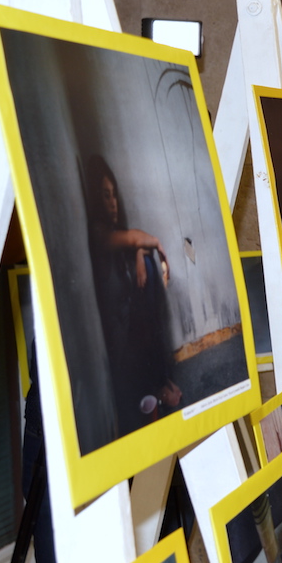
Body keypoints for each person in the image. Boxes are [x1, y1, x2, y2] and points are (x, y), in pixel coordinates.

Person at [84, 154, 180, 435]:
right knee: (149, 273)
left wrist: (140, 254)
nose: (113, 202)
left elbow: (131, 240)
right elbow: (134, 237)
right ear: (95, 199)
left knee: (147, 266)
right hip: (121, 349)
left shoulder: (110, 232)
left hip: (131, 328)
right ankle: (157, 386)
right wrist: (155, 244)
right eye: (105, 195)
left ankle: (160, 380)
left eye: (114, 195)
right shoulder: (97, 234)